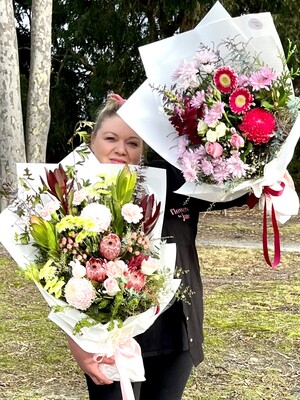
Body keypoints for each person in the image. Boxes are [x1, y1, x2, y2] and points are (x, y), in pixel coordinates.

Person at [67, 93, 249, 399]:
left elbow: (236, 186)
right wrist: (77, 341)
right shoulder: (74, 199)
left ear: (144, 148)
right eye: (111, 138)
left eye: (134, 142)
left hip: (175, 334)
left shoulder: (172, 181)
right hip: (113, 343)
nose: (121, 149)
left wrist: (269, 174)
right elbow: (60, 283)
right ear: (93, 141)